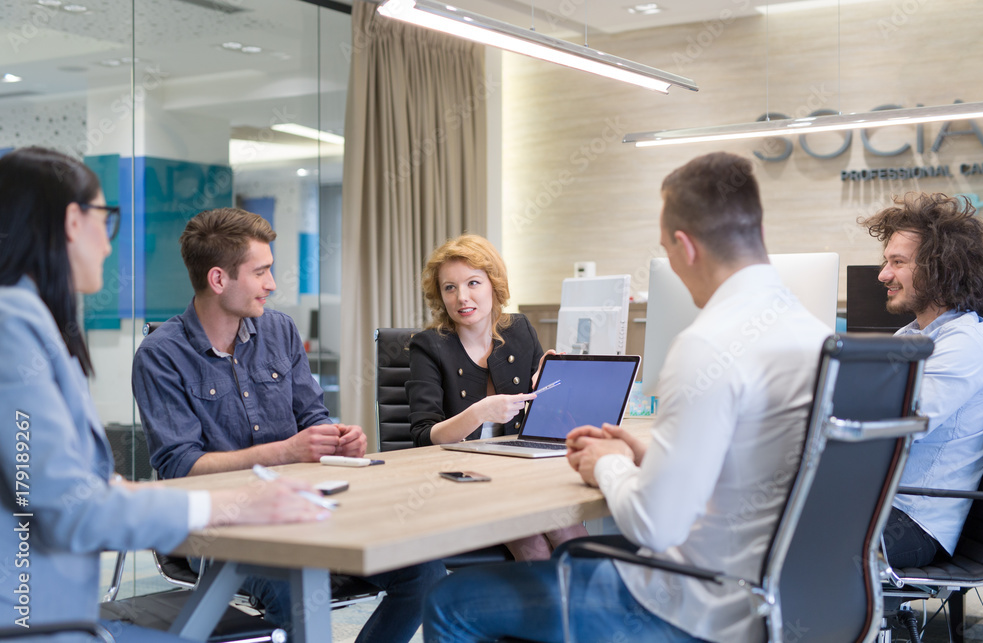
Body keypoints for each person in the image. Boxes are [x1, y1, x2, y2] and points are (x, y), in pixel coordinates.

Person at [422, 152, 831, 643]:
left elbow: (654, 526)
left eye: (665, 250)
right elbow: (752, 460)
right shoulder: (818, 336)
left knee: (448, 602)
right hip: (787, 599)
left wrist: (606, 463)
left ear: (685, 246)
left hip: (693, 607)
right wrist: (648, 453)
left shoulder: (707, 346)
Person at [0, 146, 329, 641]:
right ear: (72, 221)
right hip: (36, 624)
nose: (109, 246)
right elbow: (73, 507)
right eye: (105, 218)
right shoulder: (13, 328)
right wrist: (235, 506)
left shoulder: (38, 326)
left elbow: (80, 487)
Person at [131, 207, 445, 642]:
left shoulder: (279, 330)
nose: (272, 285)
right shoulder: (161, 356)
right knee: (298, 596)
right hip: (226, 532)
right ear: (219, 280)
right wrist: (288, 451)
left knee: (425, 572)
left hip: (308, 510)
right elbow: (179, 469)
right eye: (261, 272)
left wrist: (337, 440)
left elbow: (313, 418)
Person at [407, 233, 586, 560]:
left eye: (473, 283)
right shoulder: (428, 345)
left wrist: (545, 386)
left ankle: (588, 611)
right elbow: (424, 437)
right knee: (532, 544)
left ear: (494, 285)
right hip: (464, 479)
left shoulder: (519, 330)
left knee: (570, 532)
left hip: (520, 470)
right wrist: (479, 412)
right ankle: (549, 611)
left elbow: (538, 424)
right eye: (450, 287)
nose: (462, 297)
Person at [862, 192, 983, 568]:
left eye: (897, 262)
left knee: (789, 539)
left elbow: (893, 426)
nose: (883, 275)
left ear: (940, 268)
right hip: (882, 501)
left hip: (914, 521)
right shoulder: (911, 338)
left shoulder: (964, 344)